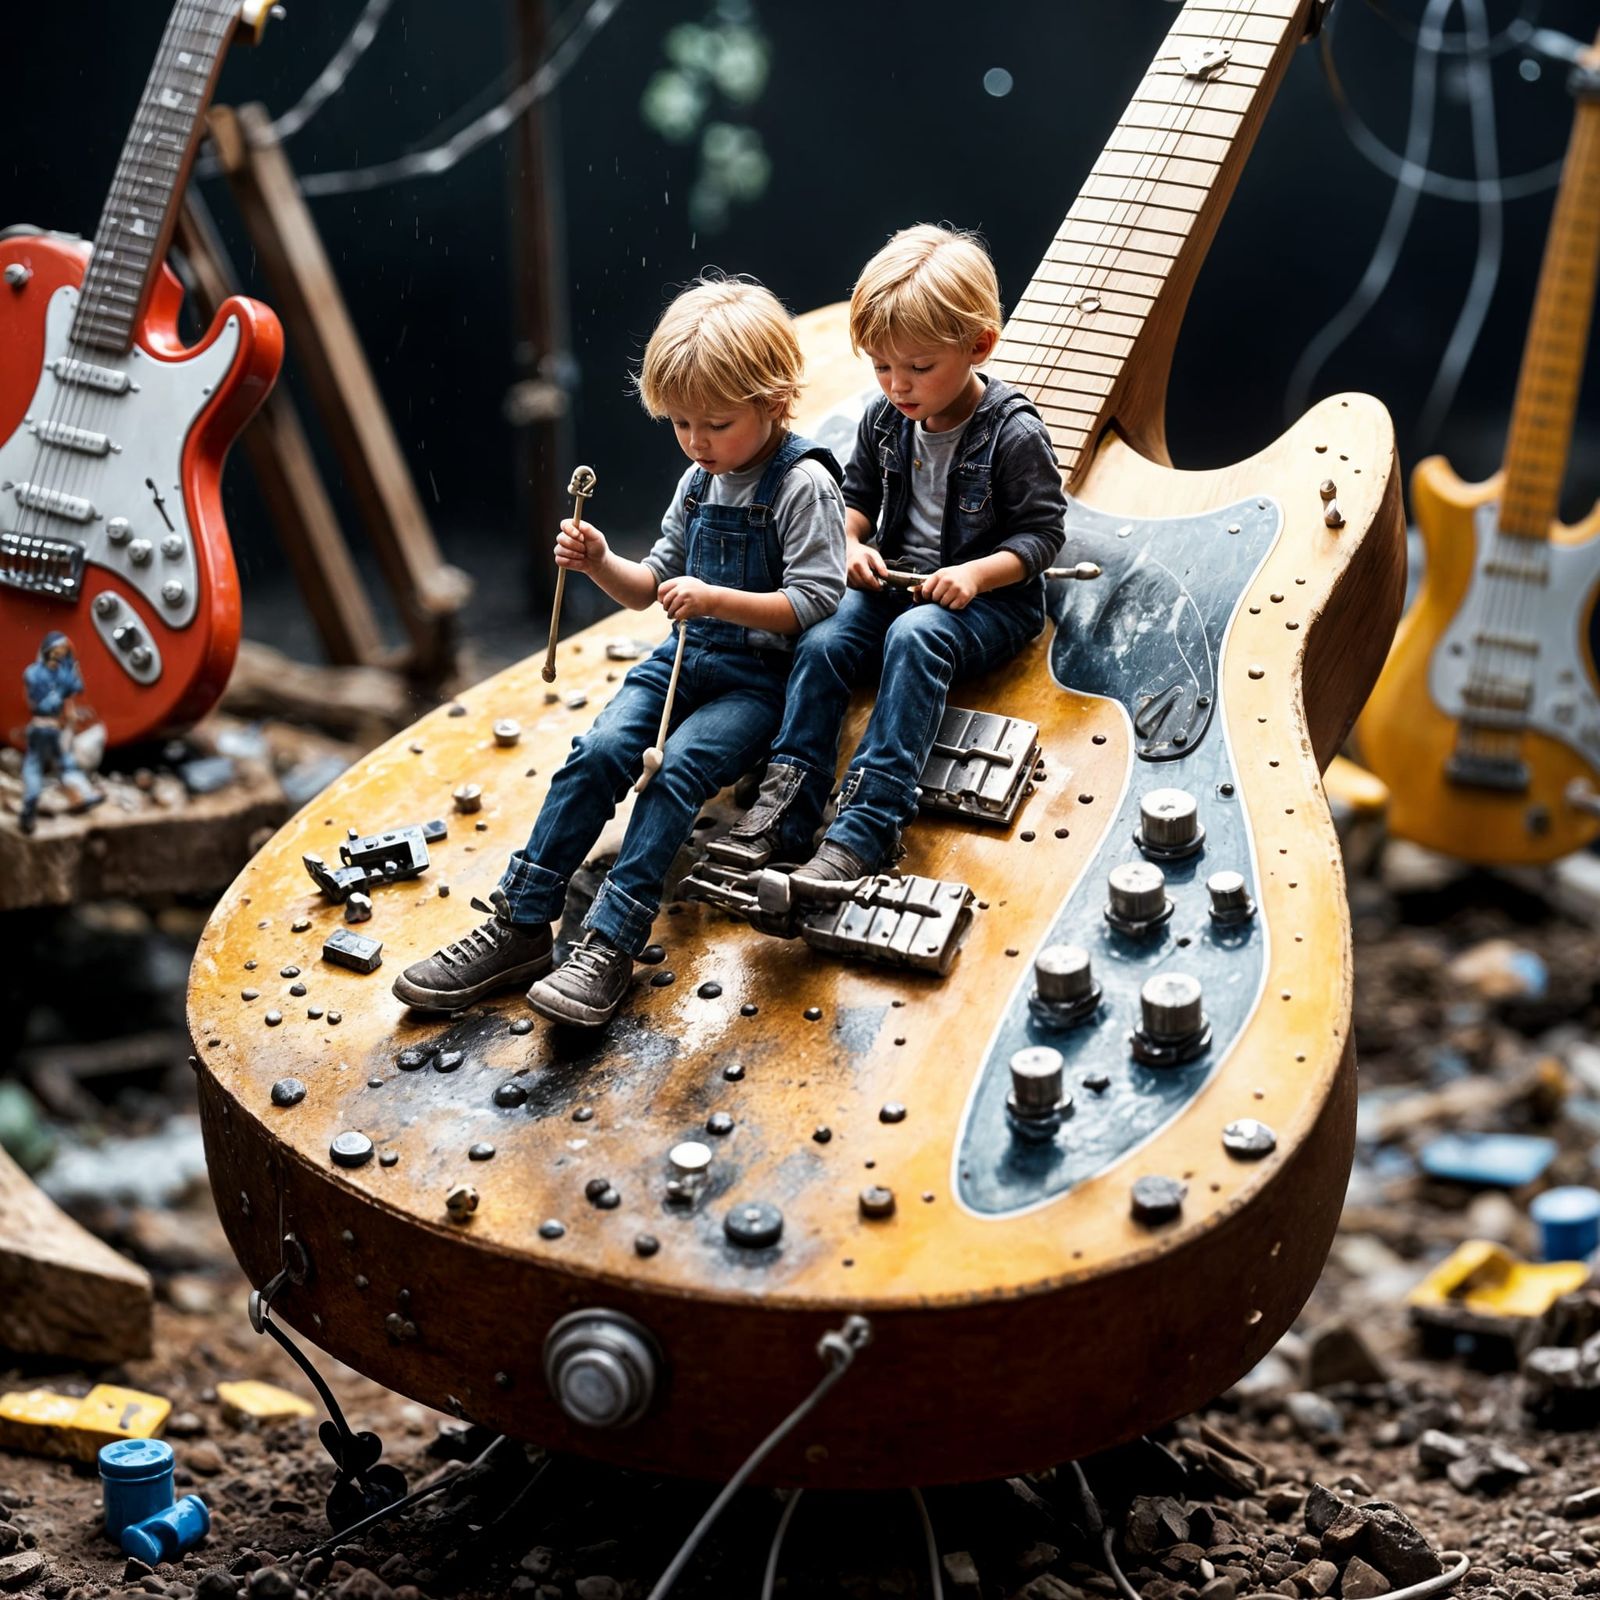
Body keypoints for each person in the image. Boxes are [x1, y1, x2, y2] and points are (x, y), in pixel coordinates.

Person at [394, 275, 846, 1026]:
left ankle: (610, 942)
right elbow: (648, 587)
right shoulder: (698, 482)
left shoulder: (804, 486)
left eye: (716, 423)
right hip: (683, 661)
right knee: (599, 751)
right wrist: (601, 561)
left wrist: (715, 598)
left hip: (757, 683)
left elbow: (815, 602)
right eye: (681, 424)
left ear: (774, 401)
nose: (697, 442)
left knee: (674, 773)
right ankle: (521, 922)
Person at [709, 224, 1070, 881]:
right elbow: (857, 498)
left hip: (992, 602)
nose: (898, 385)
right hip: (896, 581)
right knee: (823, 639)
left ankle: (866, 828)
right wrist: (849, 543)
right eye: (881, 366)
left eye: (919, 368)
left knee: (916, 636)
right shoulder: (884, 418)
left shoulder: (1015, 434)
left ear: (979, 345)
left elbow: (1042, 537)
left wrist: (974, 574)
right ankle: (785, 811)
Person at [18, 632, 104, 835]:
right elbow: (43, 703)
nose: (58, 656)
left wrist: (73, 669)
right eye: (55, 652)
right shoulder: (34, 673)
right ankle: (29, 808)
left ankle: (84, 794)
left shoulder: (62, 674)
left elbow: (76, 688)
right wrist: (60, 693)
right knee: (35, 767)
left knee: (66, 763)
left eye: (62, 653)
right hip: (40, 728)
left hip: (56, 730)